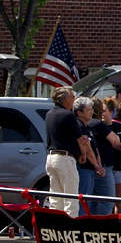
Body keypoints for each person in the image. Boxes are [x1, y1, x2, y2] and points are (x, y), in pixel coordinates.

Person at [44, 85, 90, 217]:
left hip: (51, 158)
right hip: (65, 158)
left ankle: (56, 228)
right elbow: (79, 139)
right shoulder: (68, 115)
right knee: (71, 198)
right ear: (65, 99)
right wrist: (83, 154)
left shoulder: (49, 114)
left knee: (55, 199)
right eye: (72, 97)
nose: (74, 99)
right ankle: (70, 229)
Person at [87, 97, 121, 215]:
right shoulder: (98, 124)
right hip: (104, 167)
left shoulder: (86, 124)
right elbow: (115, 140)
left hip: (91, 166)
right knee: (107, 200)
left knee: (94, 201)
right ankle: (102, 227)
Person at [73, 97, 105, 216]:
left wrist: (99, 165)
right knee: (83, 201)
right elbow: (87, 149)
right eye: (88, 110)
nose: (91, 112)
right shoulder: (79, 127)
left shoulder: (87, 127)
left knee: (88, 201)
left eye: (92, 109)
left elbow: (95, 149)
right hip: (84, 168)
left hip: (91, 169)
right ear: (79, 112)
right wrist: (97, 166)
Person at [106, 98, 121, 215]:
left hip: (118, 167)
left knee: (120, 201)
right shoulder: (100, 126)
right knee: (113, 200)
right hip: (108, 167)